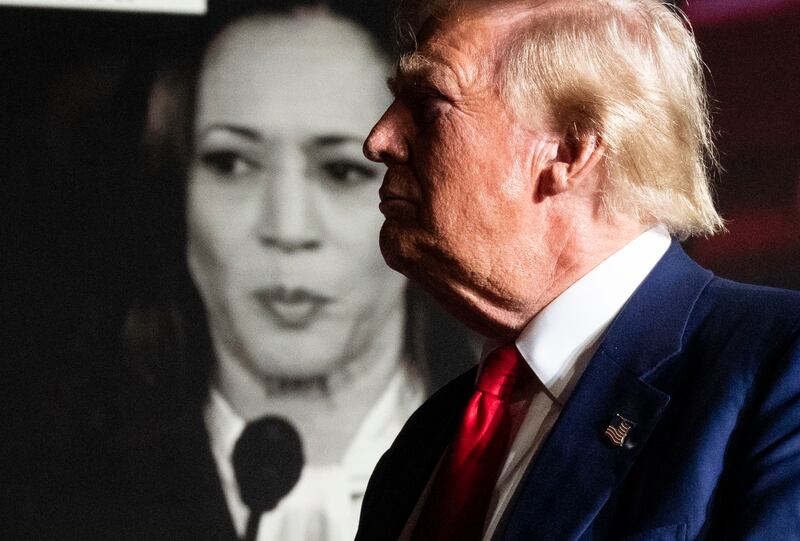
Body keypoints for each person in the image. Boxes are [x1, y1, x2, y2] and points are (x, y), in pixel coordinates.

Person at [355, 0, 800, 540]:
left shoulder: (778, 370)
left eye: (428, 105)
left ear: (571, 148)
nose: (378, 140)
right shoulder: (426, 443)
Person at [107, 1, 475, 540]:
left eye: (342, 169)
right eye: (232, 162)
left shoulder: (499, 464)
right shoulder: (62, 470)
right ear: (177, 189)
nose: (286, 227)